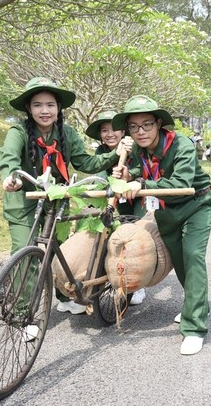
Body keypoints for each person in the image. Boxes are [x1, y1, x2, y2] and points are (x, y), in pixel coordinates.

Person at [0, 77, 130, 321]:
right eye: (38, 105)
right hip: (24, 200)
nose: (45, 111)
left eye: (50, 104)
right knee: (25, 254)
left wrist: (114, 155)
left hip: (56, 201)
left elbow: (85, 162)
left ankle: (63, 299)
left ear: (59, 108)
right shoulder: (18, 132)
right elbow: (9, 158)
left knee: (59, 249)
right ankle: (21, 315)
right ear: (28, 108)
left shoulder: (67, 133)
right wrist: (10, 177)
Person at [111, 95, 211, 355]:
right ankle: (197, 303)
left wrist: (143, 185)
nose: (141, 131)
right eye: (134, 127)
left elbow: (180, 182)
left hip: (195, 205)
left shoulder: (182, 145)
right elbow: (136, 172)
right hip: (166, 211)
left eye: (146, 124)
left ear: (159, 124)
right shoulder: (138, 150)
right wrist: (127, 175)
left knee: (192, 257)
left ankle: (194, 327)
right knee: (179, 262)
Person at [85, 110, 146, 306]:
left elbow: (142, 169)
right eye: (104, 130)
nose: (109, 134)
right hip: (111, 197)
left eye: (114, 129)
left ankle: (139, 284)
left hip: (135, 196)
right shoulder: (101, 152)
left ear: (122, 132)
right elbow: (99, 175)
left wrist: (130, 176)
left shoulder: (135, 146)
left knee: (135, 236)